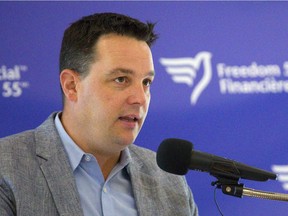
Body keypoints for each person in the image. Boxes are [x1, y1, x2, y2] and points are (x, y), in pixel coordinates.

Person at [0, 12, 198, 216]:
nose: (140, 98)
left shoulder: (170, 181)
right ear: (71, 86)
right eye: (121, 79)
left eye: (146, 82)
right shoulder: (6, 167)